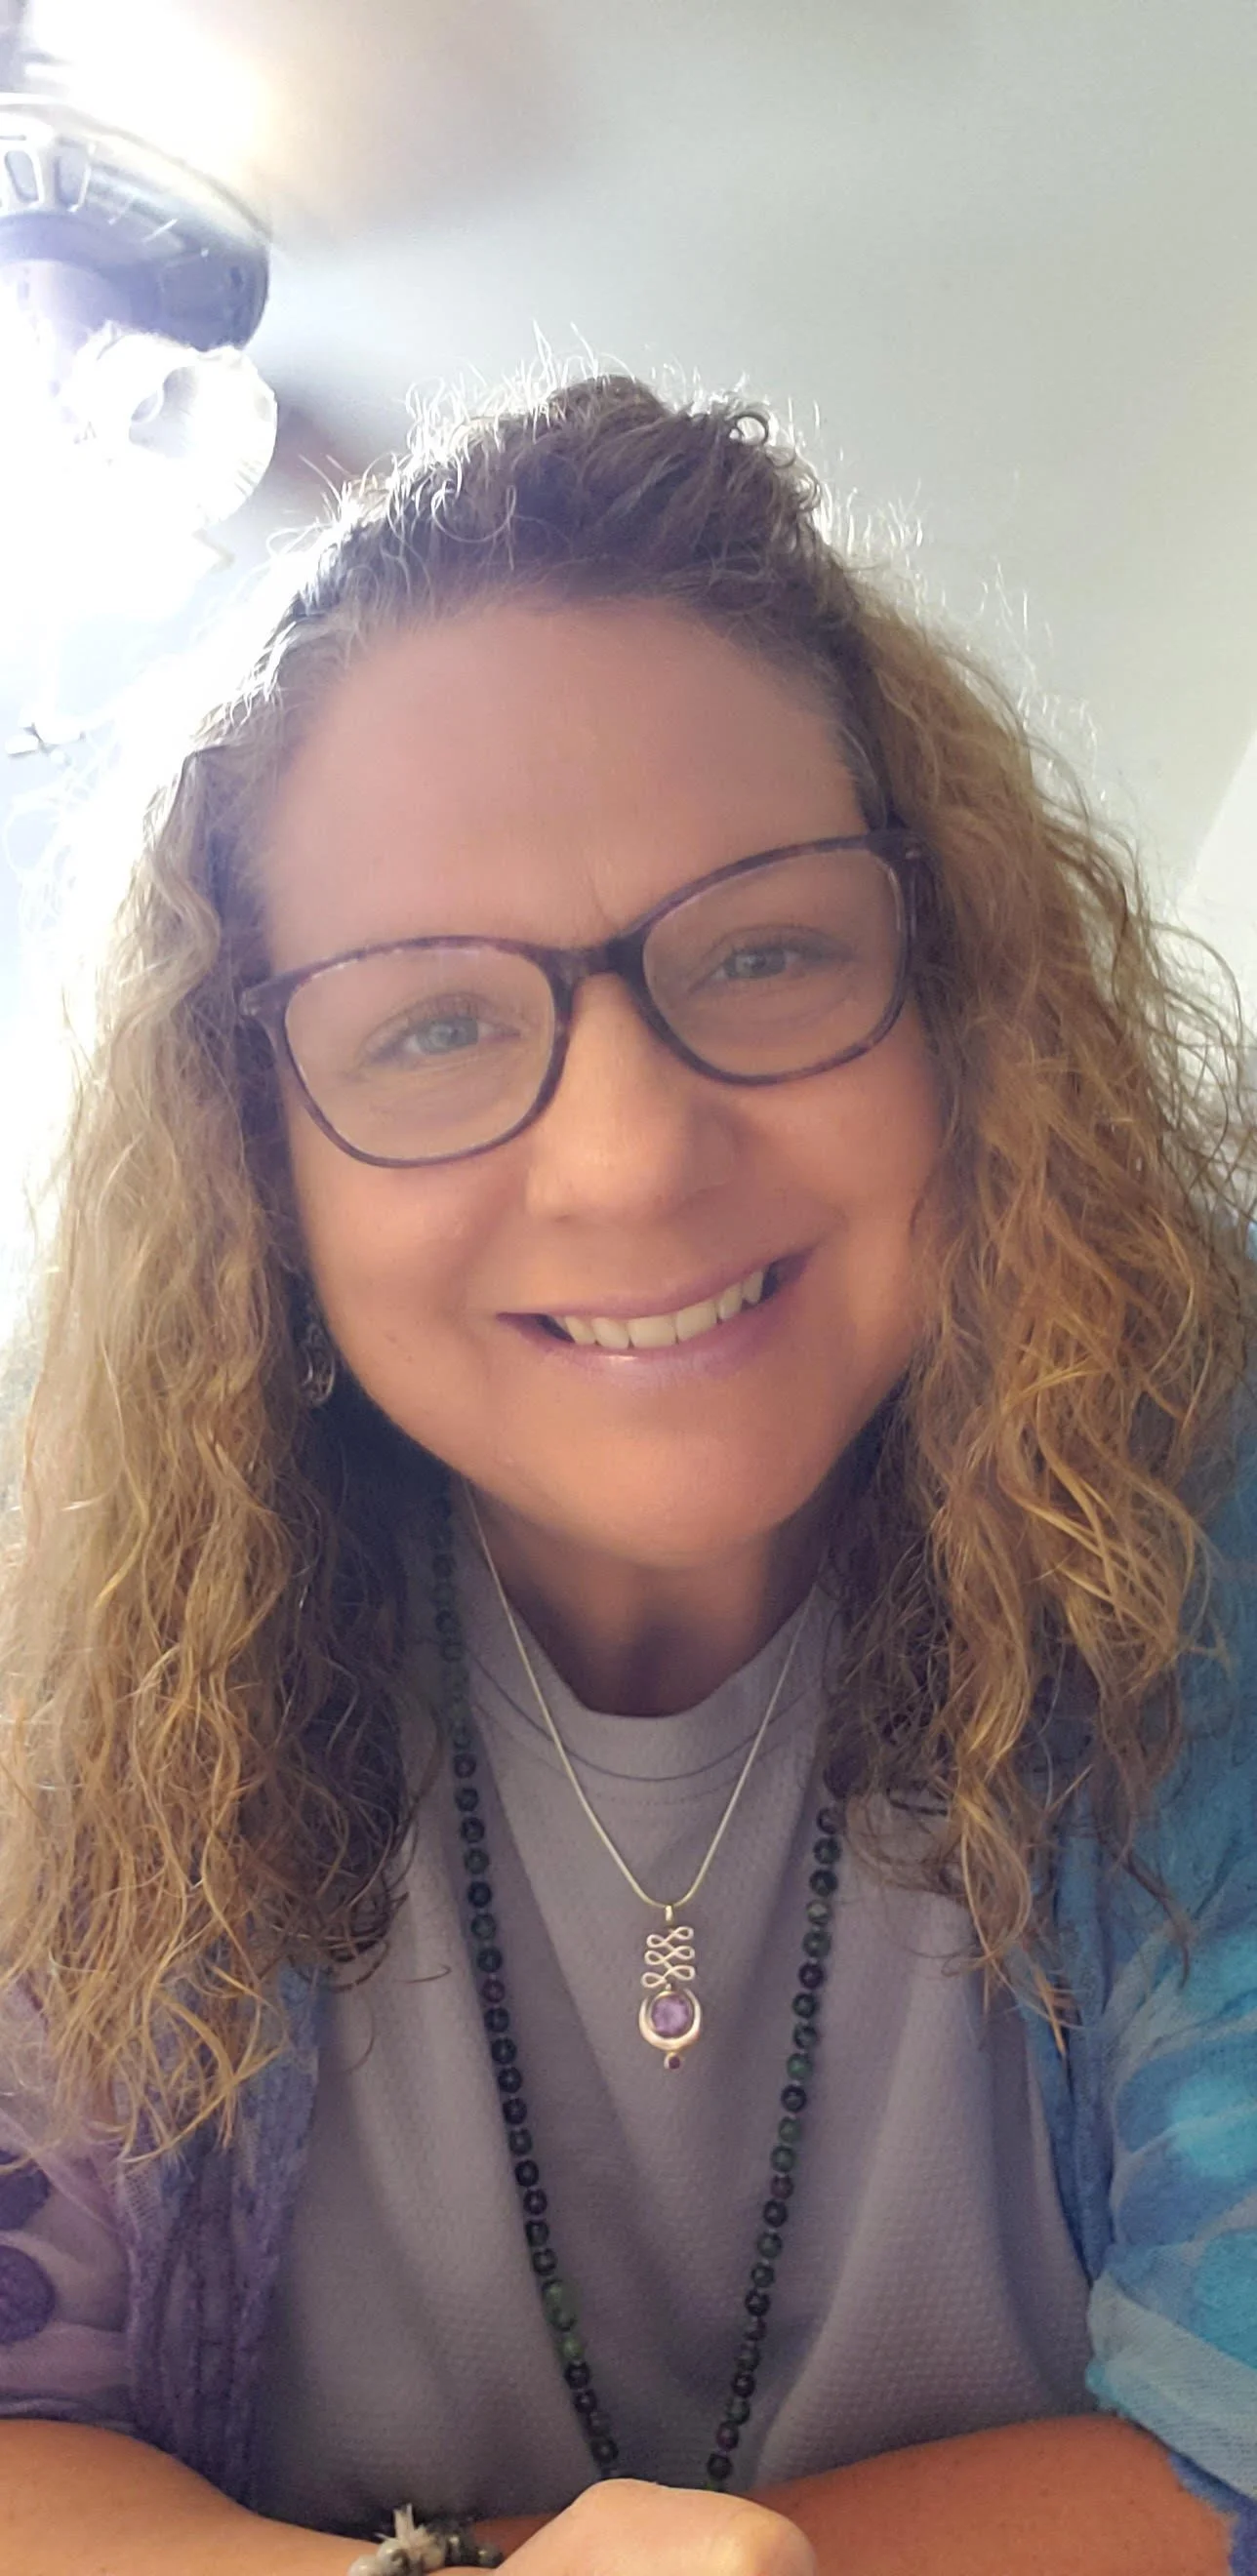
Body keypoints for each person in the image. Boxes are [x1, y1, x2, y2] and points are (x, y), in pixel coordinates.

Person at [0, 375, 1253, 2576]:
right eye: (431, 1020)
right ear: (251, 1163)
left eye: (764, 950)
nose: (629, 1152)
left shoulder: (1199, 1567)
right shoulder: (70, 1694)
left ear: (962, 1006)